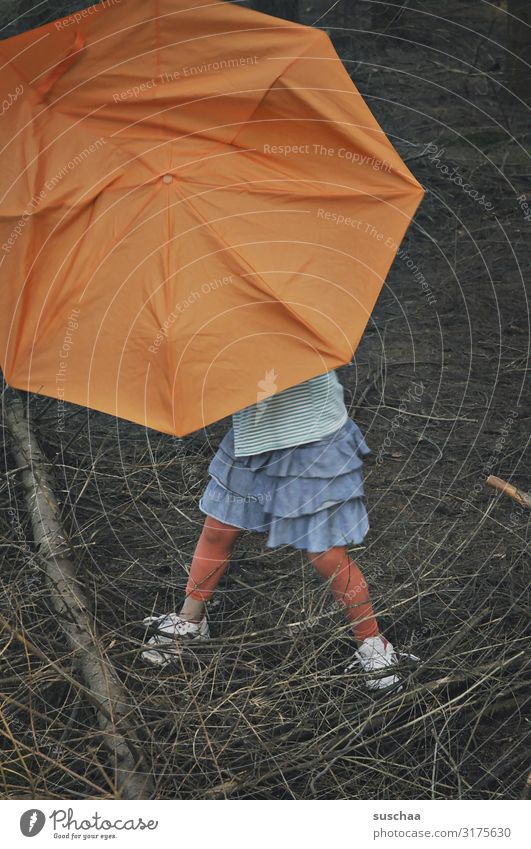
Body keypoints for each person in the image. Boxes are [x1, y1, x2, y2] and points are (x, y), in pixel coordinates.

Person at [141, 368, 407, 692]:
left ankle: (372, 643)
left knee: (325, 553)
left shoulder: (298, 327)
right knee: (217, 531)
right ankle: (190, 620)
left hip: (311, 440)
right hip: (255, 438)